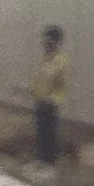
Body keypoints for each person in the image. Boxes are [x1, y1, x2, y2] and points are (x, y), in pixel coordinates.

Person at [30, 26, 70, 166]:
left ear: (56, 42)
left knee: (49, 134)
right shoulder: (45, 60)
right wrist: (29, 90)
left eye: (48, 40)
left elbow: (61, 86)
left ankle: (49, 163)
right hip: (40, 103)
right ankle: (41, 160)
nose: (45, 43)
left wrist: (53, 100)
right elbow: (40, 81)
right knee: (41, 134)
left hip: (51, 104)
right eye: (44, 40)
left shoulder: (60, 62)